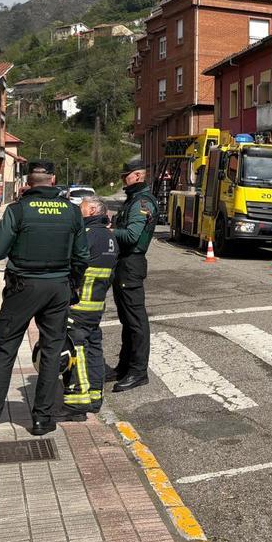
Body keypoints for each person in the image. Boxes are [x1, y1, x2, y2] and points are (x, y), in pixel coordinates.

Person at [0, 160, 89, 440]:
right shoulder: (72, 212)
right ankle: (43, 419)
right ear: (53, 181)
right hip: (58, 288)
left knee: (5, 351)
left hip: (22, 288)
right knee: (53, 351)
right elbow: (82, 257)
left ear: (27, 183)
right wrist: (73, 287)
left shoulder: (18, 210)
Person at [59, 196, 117, 419]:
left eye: (81, 207)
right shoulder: (110, 237)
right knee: (93, 349)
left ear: (92, 210)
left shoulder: (86, 236)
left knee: (77, 349)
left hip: (79, 304)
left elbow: (74, 265)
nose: (77, 211)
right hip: (96, 305)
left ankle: (78, 402)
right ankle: (94, 396)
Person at [109, 157, 158, 392]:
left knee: (136, 321)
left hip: (131, 263)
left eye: (126, 176)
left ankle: (138, 372)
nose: (123, 179)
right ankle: (124, 366)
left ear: (138, 176)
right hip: (123, 264)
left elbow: (130, 236)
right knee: (127, 319)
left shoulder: (142, 203)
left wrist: (108, 231)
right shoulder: (133, 199)